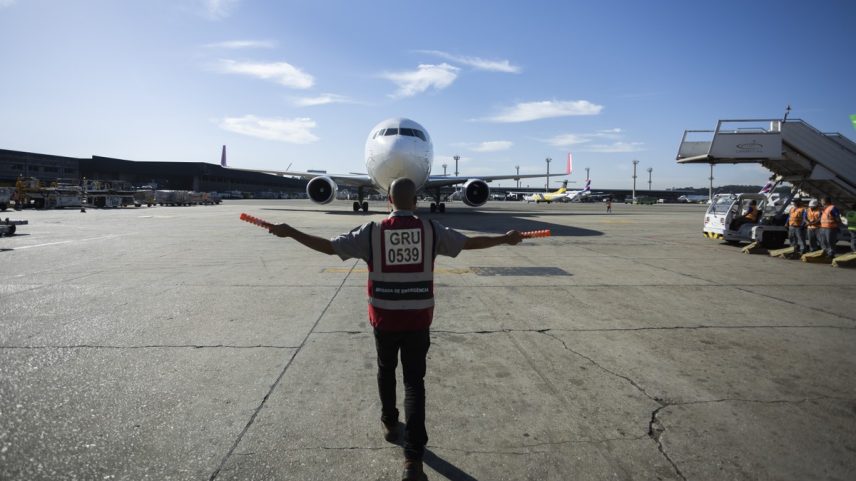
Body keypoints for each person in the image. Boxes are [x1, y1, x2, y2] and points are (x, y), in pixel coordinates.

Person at [268, 178, 523, 481]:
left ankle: (390, 423)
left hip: (385, 319)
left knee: (385, 369)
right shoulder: (430, 230)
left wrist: (290, 232)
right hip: (417, 319)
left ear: (388, 201)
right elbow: (468, 242)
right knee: (415, 383)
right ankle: (412, 461)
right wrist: (504, 238)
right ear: (415, 202)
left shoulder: (372, 232)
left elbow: (328, 247)